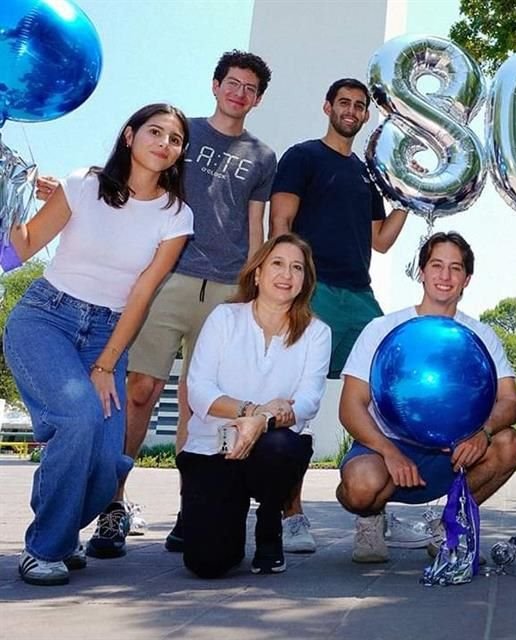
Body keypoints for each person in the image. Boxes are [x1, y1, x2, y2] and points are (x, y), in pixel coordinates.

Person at [36, 51, 279, 559]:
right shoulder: (178, 133)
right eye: (232, 83)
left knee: (199, 403)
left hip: (225, 288)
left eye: (250, 88)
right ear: (216, 85)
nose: (239, 93)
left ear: (257, 98)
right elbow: (129, 184)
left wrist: (249, 287)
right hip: (166, 277)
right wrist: (66, 193)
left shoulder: (262, 156)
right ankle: (113, 507)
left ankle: (194, 510)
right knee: (140, 390)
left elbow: (256, 225)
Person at [5, 104, 194, 586]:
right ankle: (44, 549)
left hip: (108, 334)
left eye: (175, 139)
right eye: (155, 132)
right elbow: (21, 249)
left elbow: (142, 292)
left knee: (109, 463)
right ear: (129, 136)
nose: (164, 143)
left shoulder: (176, 216)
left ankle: (61, 525)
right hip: (46, 317)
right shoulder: (83, 185)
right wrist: (6, 200)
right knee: (78, 419)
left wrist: (108, 362)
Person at [270, 78, 408, 552]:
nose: (351, 110)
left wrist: (410, 193)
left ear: (366, 115)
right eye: (344, 103)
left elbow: (382, 240)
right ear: (328, 106)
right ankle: (290, 514)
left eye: (359, 106)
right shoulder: (302, 156)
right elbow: (280, 224)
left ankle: (371, 511)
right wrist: (283, 286)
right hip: (314, 290)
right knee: (297, 399)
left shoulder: (369, 174)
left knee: (384, 390)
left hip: (359, 296)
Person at [335, 232, 516, 564]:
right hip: (386, 450)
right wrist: (389, 452)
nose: (445, 276)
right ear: (421, 271)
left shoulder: (481, 336)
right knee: (361, 487)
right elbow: (350, 405)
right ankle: (370, 518)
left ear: (467, 279)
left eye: (455, 268)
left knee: (508, 444)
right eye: (436, 265)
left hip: (452, 454)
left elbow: (511, 401)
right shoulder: (383, 328)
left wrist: (484, 432)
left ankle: (449, 526)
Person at [177, 234, 330, 578]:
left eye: (297, 268)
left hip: (270, 450)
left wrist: (261, 423)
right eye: (277, 263)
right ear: (258, 273)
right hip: (213, 451)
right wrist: (252, 411)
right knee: (208, 563)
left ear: (305, 282)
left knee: (282, 444)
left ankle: (269, 522)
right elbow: (198, 391)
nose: (286, 274)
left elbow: (307, 402)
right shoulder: (224, 318)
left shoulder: (316, 333)